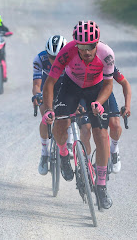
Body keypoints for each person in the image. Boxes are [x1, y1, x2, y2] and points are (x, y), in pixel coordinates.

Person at [42, 20, 115, 209]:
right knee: (60, 124)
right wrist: (49, 109)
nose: (87, 51)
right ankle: (64, 154)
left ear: (97, 43)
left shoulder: (106, 54)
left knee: (101, 135)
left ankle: (101, 186)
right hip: (71, 87)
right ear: (76, 44)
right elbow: (50, 83)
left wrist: (99, 103)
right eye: (82, 47)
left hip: (96, 88)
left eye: (91, 46)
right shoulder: (67, 51)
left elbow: (108, 84)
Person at [32, 35, 74, 176]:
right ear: (46, 54)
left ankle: (68, 142)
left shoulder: (73, 58)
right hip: (47, 89)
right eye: (52, 57)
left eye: (59, 57)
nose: (56, 61)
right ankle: (44, 154)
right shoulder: (40, 59)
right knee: (46, 118)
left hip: (65, 89)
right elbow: (37, 85)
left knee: (66, 118)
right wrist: (36, 95)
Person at [79, 66, 131, 174]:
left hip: (104, 92)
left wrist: (127, 106)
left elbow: (125, 83)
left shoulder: (106, 62)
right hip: (83, 95)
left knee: (115, 124)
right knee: (85, 129)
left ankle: (114, 151)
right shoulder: (78, 61)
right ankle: (86, 162)